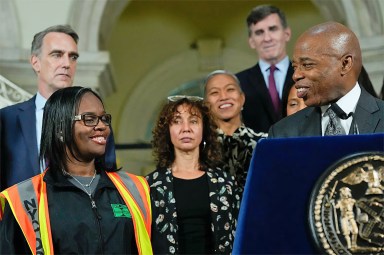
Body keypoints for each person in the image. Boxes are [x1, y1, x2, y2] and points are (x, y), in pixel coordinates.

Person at [0, 86, 152, 254]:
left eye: (104, 118)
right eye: (89, 118)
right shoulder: (24, 200)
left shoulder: (135, 188)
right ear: (60, 129)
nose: (101, 126)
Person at [0, 25, 116, 191]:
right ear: (35, 62)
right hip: (22, 214)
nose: (66, 63)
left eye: (73, 57)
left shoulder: (98, 123)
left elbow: (107, 180)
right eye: (57, 55)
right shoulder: (6, 119)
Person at [146, 96, 240, 254]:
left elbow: (239, 235)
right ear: (167, 131)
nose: (186, 128)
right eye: (177, 121)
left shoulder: (225, 183)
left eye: (194, 121)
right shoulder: (152, 185)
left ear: (204, 129)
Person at [268, 21, 384, 138]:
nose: (296, 75)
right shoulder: (282, 132)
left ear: (345, 64)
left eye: (307, 65)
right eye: (295, 67)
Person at [203, 70, 267, 193]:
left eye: (230, 89)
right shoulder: (199, 148)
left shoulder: (264, 143)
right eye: (214, 92)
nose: (223, 97)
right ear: (206, 104)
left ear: (242, 98)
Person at [236, 5, 294, 133]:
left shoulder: (307, 75)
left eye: (272, 29)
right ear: (251, 41)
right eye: (259, 32)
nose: (267, 38)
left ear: (287, 34)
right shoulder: (238, 83)